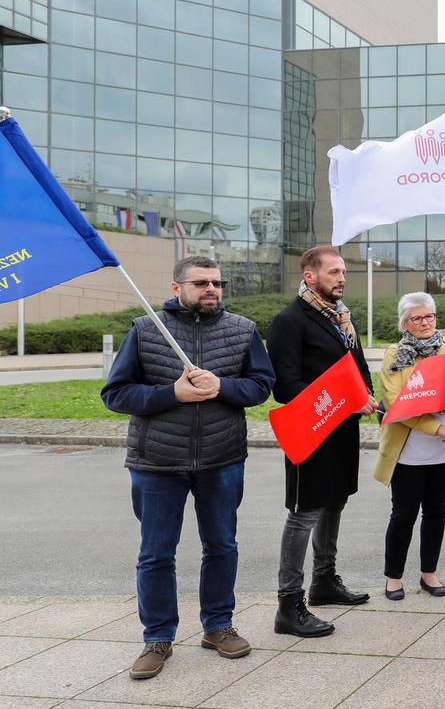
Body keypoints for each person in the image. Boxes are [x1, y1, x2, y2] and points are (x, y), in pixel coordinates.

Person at [101, 256, 275, 679]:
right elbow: (116, 394)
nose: (211, 289)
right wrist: (172, 393)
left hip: (221, 458)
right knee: (157, 553)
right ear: (177, 288)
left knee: (222, 545)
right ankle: (157, 637)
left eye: (217, 282)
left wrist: (223, 386)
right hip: (157, 462)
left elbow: (261, 385)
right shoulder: (145, 331)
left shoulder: (243, 330)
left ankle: (218, 626)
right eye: (201, 283)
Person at [267, 245, 377, 638]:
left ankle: (324, 582)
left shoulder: (343, 319)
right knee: (304, 513)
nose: (342, 278)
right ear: (310, 276)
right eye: (333, 272)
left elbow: (358, 368)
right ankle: (288, 604)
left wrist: (365, 393)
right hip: (310, 433)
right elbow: (284, 386)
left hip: (343, 431)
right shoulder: (290, 321)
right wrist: (339, 397)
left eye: (343, 271)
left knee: (335, 503)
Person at [374, 293, 445, 600]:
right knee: (403, 513)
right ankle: (393, 577)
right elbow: (395, 402)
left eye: (430, 316)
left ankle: (429, 573)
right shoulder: (394, 354)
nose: (426, 322)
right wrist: (434, 426)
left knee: (437, 511)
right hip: (410, 448)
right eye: (418, 318)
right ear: (405, 323)